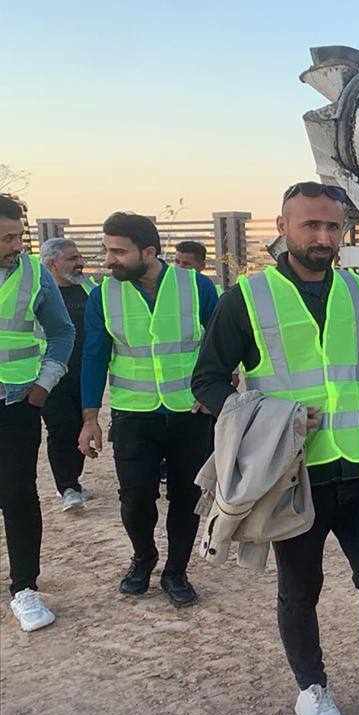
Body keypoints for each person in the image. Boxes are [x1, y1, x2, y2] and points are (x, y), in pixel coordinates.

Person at [192, 181, 359, 715]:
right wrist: (269, 422)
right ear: (283, 228)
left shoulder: (358, 291)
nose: (323, 237)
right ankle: (311, 688)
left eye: (333, 227)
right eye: (311, 226)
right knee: (300, 590)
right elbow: (207, 380)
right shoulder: (248, 297)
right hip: (293, 477)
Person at [78, 213, 219, 608]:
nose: (109, 259)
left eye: (118, 251)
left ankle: (176, 571)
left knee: (187, 496)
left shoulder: (197, 286)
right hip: (132, 414)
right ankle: (143, 558)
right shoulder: (103, 295)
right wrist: (89, 419)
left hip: (190, 413)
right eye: (107, 250)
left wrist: (215, 390)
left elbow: (221, 342)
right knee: (135, 497)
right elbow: (94, 356)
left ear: (149, 252)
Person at [0, 196, 75, 632]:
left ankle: (24, 588)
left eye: (18, 236)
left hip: (16, 406)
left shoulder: (34, 273)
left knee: (18, 495)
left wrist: (45, 382)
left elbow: (62, 332)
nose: (16, 245)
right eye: (6, 238)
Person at [39, 237, 97, 512]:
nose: (80, 263)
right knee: (61, 429)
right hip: (52, 375)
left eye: (79, 257)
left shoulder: (90, 289)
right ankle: (68, 488)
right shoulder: (40, 294)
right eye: (72, 259)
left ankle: (73, 480)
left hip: (86, 374)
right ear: (52, 264)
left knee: (80, 427)